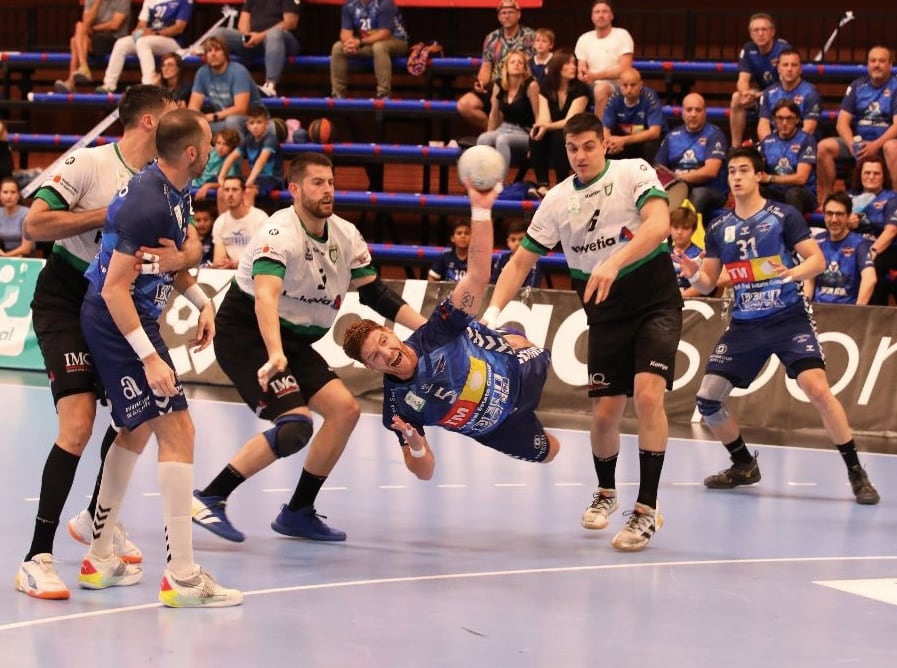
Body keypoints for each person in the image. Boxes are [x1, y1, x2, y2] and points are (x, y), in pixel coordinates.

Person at [15, 85, 194, 601]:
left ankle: (98, 523)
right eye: (169, 114)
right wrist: (109, 215)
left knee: (130, 420)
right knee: (77, 424)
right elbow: (35, 222)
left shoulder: (165, 182)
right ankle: (37, 557)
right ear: (146, 122)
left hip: (121, 304)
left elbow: (177, 248)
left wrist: (193, 286)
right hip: (69, 296)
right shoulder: (91, 165)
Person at [191, 153, 427, 543]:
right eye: (318, 183)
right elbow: (265, 298)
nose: (328, 189)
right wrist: (275, 353)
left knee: (345, 410)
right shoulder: (278, 233)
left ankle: (298, 512)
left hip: (295, 340)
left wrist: (427, 328)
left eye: (331, 181)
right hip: (249, 335)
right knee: (296, 425)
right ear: (295, 190)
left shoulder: (346, 235)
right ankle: (210, 497)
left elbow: (375, 293)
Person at [487, 112, 683, 552]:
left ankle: (647, 509)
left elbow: (657, 224)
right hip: (605, 316)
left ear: (605, 144)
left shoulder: (634, 171)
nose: (580, 156)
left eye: (588, 147)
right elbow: (521, 261)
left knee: (649, 395)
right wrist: (494, 312)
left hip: (655, 303)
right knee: (605, 414)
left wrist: (612, 262)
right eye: (572, 149)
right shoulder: (557, 199)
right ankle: (607, 492)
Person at [78, 108, 242, 607]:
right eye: (210, 143)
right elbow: (113, 289)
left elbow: (165, 260)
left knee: (138, 429)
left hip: (135, 317)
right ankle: (183, 577)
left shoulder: (175, 189)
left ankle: (100, 555)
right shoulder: (146, 202)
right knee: (180, 430)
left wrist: (201, 301)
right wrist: (150, 358)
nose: (215, 149)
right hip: (116, 322)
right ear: (190, 152)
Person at [676, 146, 880, 506]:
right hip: (744, 324)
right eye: (731, 171)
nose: (736, 176)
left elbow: (816, 261)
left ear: (758, 176)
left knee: (817, 389)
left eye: (743, 170)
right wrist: (694, 273)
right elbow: (710, 283)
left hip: (787, 318)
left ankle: (855, 471)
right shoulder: (719, 225)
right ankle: (743, 464)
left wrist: (792, 274)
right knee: (708, 399)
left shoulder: (783, 216)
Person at [341, 182, 559, 476]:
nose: (386, 353)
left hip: (520, 371)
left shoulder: (436, 332)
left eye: (383, 340)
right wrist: (415, 443)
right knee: (548, 453)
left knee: (521, 344)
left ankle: (498, 333)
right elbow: (425, 471)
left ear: (392, 332)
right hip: (498, 428)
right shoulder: (397, 408)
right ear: (369, 366)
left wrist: (481, 210)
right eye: (375, 356)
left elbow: (478, 276)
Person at [817, 46, 897, 204]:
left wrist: (875, 145)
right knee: (823, 147)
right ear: (868, 64)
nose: (877, 65)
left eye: (882, 61)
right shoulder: (857, 86)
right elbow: (842, 123)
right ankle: (826, 199)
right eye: (873, 61)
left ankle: (895, 201)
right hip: (859, 142)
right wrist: (853, 145)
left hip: (884, 142)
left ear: (890, 64)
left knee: (892, 147)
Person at [456, 0, 535, 133]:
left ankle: (495, 134)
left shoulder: (529, 36)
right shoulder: (491, 38)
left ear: (518, 14)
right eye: (503, 13)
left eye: (510, 12)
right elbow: (486, 66)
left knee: (498, 102)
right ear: (499, 17)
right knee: (464, 105)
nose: (507, 16)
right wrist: (481, 82)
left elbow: (530, 66)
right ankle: (493, 131)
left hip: (518, 84)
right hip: (495, 83)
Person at [655, 92, 729, 224]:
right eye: (689, 110)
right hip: (679, 187)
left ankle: (683, 235)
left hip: (711, 190)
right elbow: (658, 168)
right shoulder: (672, 136)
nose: (693, 114)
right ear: (683, 112)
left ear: (704, 113)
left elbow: (710, 171)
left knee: (699, 194)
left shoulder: (715, 134)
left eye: (698, 110)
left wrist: (678, 178)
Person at [529, 49, 590, 198]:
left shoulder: (580, 88)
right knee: (536, 136)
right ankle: (542, 185)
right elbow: (544, 117)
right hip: (557, 129)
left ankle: (562, 184)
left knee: (558, 137)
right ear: (557, 66)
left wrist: (545, 126)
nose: (573, 67)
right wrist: (540, 127)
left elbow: (571, 120)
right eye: (568, 64)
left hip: (578, 130)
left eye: (574, 64)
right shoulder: (546, 87)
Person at [97, 0, 194, 94]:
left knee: (143, 42)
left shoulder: (185, 1)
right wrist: (138, 33)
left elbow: (179, 28)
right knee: (121, 43)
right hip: (149, 38)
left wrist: (155, 33)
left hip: (173, 42)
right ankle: (109, 84)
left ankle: (148, 85)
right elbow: (141, 25)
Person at [213, 0, 301, 98]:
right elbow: (243, 20)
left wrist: (260, 36)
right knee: (219, 34)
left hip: (282, 42)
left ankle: (270, 86)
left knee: (274, 34)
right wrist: (246, 37)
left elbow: (290, 22)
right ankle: (215, 86)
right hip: (254, 40)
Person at [728, 13, 791, 147]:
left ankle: (771, 148)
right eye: (756, 30)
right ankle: (735, 149)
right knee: (736, 98)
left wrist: (761, 94)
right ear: (751, 34)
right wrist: (746, 93)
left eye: (764, 29)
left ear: (772, 32)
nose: (760, 34)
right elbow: (742, 80)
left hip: (783, 95)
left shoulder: (783, 49)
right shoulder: (748, 49)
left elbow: (786, 82)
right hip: (761, 94)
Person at [476, 50, 540, 182]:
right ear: (506, 66)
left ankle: (499, 184)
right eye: (512, 62)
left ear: (524, 67)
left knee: (502, 140)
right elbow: (494, 114)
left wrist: (536, 145)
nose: (516, 65)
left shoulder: (531, 85)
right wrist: (490, 133)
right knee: (484, 138)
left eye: (520, 62)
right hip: (503, 128)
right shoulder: (499, 85)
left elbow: (538, 116)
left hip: (524, 131)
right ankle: (482, 181)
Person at [805, 192, 876, 305]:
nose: (834, 219)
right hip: (819, 311)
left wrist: (858, 312)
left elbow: (870, 279)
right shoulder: (816, 241)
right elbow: (809, 280)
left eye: (839, 214)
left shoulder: (860, 244)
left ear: (848, 216)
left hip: (846, 313)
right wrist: (806, 309)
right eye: (829, 213)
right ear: (824, 215)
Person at [330, 0, 409, 100]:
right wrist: (349, 44)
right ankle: (337, 94)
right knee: (338, 47)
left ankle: (383, 94)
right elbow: (345, 32)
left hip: (396, 41)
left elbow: (384, 33)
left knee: (379, 47)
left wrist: (360, 42)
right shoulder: (349, 4)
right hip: (368, 43)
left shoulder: (385, 3)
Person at [845, 158, 897, 305]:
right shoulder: (849, 197)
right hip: (856, 246)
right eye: (867, 172)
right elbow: (834, 224)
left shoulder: (892, 198)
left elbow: (891, 231)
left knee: (875, 265)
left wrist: (872, 252)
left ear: (883, 177)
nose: (871, 176)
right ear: (860, 175)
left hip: (885, 249)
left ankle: (873, 317)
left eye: (876, 173)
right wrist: (847, 224)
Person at [188, 36, 262, 138]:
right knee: (194, 125)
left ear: (225, 53)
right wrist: (198, 119)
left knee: (232, 121)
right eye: (209, 51)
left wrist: (214, 116)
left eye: (217, 50)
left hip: (252, 120)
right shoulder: (202, 73)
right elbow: (193, 108)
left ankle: (239, 154)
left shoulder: (238, 71)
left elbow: (241, 109)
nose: (213, 54)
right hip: (222, 121)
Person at [54, 0, 131, 93]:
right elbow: (86, 21)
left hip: (114, 39)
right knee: (79, 27)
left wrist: (94, 28)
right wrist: (97, 2)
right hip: (94, 37)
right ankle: (83, 67)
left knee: (75, 40)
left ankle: (71, 81)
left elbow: (115, 25)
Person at [574, 1, 634, 119]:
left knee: (601, 89)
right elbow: (581, 65)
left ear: (611, 16)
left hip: (616, 85)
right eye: (597, 12)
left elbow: (624, 69)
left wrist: (596, 76)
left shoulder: (622, 35)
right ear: (592, 17)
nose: (600, 15)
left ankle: (599, 132)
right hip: (589, 84)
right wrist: (582, 74)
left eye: (605, 12)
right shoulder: (584, 38)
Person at [757, 98, 818, 215]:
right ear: (774, 120)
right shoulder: (767, 141)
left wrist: (771, 178)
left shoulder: (806, 139)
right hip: (776, 192)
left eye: (789, 118)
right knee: (755, 190)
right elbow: (761, 174)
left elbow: (801, 178)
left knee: (793, 194)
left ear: (797, 120)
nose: (784, 123)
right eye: (780, 118)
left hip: (802, 193)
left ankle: (794, 231)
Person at [217, 105, 285, 206]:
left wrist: (248, 182)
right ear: (247, 125)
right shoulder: (248, 140)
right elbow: (231, 158)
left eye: (259, 122)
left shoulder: (271, 139)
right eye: (252, 123)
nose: (255, 126)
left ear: (266, 124)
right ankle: (225, 222)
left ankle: (247, 221)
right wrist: (221, 178)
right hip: (255, 179)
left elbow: (261, 161)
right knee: (222, 190)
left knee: (248, 191)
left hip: (272, 180)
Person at [755, 49, 823, 142]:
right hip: (775, 143)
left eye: (794, 65)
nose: (789, 69)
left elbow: (808, 129)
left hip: (803, 145)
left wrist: (786, 149)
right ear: (778, 69)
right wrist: (769, 145)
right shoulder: (769, 93)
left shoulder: (810, 93)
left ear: (800, 69)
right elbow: (763, 125)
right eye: (785, 65)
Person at [602, 67, 666, 163]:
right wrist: (610, 143)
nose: (629, 89)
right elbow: (606, 129)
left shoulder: (649, 97)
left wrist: (623, 140)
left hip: (644, 139)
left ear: (640, 85)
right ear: (620, 85)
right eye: (625, 85)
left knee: (650, 147)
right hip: (624, 138)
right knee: (606, 148)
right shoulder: (614, 98)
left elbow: (654, 132)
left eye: (633, 85)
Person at [210, 176, 269, 269]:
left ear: (243, 193)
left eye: (234, 189)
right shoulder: (220, 222)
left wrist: (237, 264)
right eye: (226, 190)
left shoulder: (261, 218)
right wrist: (223, 263)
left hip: (255, 274)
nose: (230, 194)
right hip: (230, 273)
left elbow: (265, 257)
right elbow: (219, 259)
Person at [192, 127, 242, 201]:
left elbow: (228, 183)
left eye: (225, 144)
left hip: (210, 187)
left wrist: (208, 186)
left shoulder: (231, 162)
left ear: (232, 147)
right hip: (194, 183)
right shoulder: (211, 153)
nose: (220, 147)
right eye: (218, 143)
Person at [491, 219, 542, 287]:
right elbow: (492, 285)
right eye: (513, 240)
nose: (517, 243)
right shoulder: (502, 258)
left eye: (521, 239)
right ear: (508, 242)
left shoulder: (534, 262)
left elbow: (531, 290)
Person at [668, 206, 703, 295]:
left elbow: (701, 287)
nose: (679, 232)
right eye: (675, 227)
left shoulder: (700, 255)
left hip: (689, 302)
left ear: (693, 230)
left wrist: (680, 298)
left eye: (685, 228)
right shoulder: (662, 253)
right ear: (669, 229)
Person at [0, 177, 33, 257]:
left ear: (18, 195)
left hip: (24, 258)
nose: (9, 196)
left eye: (13, 192)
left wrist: (6, 256)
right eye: (5, 192)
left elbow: (26, 248)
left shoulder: (28, 213)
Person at [192, 199, 216, 267]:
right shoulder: (186, 239)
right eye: (198, 220)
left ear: (212, 220)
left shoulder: (215, 238)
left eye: (205, 220)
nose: (202, 224)